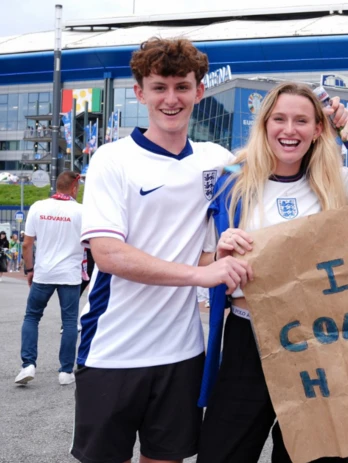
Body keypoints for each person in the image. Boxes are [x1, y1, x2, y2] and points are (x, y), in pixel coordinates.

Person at [196, 81, 348, 463]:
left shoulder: (338, 181)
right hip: (251, 337)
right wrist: (222, 259)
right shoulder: (232, 180)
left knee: (316, 458)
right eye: (278, 119)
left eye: (301, 120)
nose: (289, 130)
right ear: (264, 125)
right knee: (221, 452)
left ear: (317, 129)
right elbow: (205, 265)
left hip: (320, 341)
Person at [71, 37, 252, 463]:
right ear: (140, 92)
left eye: (182, 87)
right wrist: (200, 275)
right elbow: (108, 254)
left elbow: (276, 162)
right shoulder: (112, 159)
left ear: (199, 91)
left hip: (182, 351)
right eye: (159, 87)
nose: (171, 99)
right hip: (113, 348)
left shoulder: (217, 160)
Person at [14, 171, 84, 386]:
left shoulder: (38, 207)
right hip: (70, 275)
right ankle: (65, 372)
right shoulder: (82, 212)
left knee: (32, 317)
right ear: (73, 188)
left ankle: (28, 365)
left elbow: (27, 244)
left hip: (44, 272)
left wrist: (29, 270)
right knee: (70, 321)